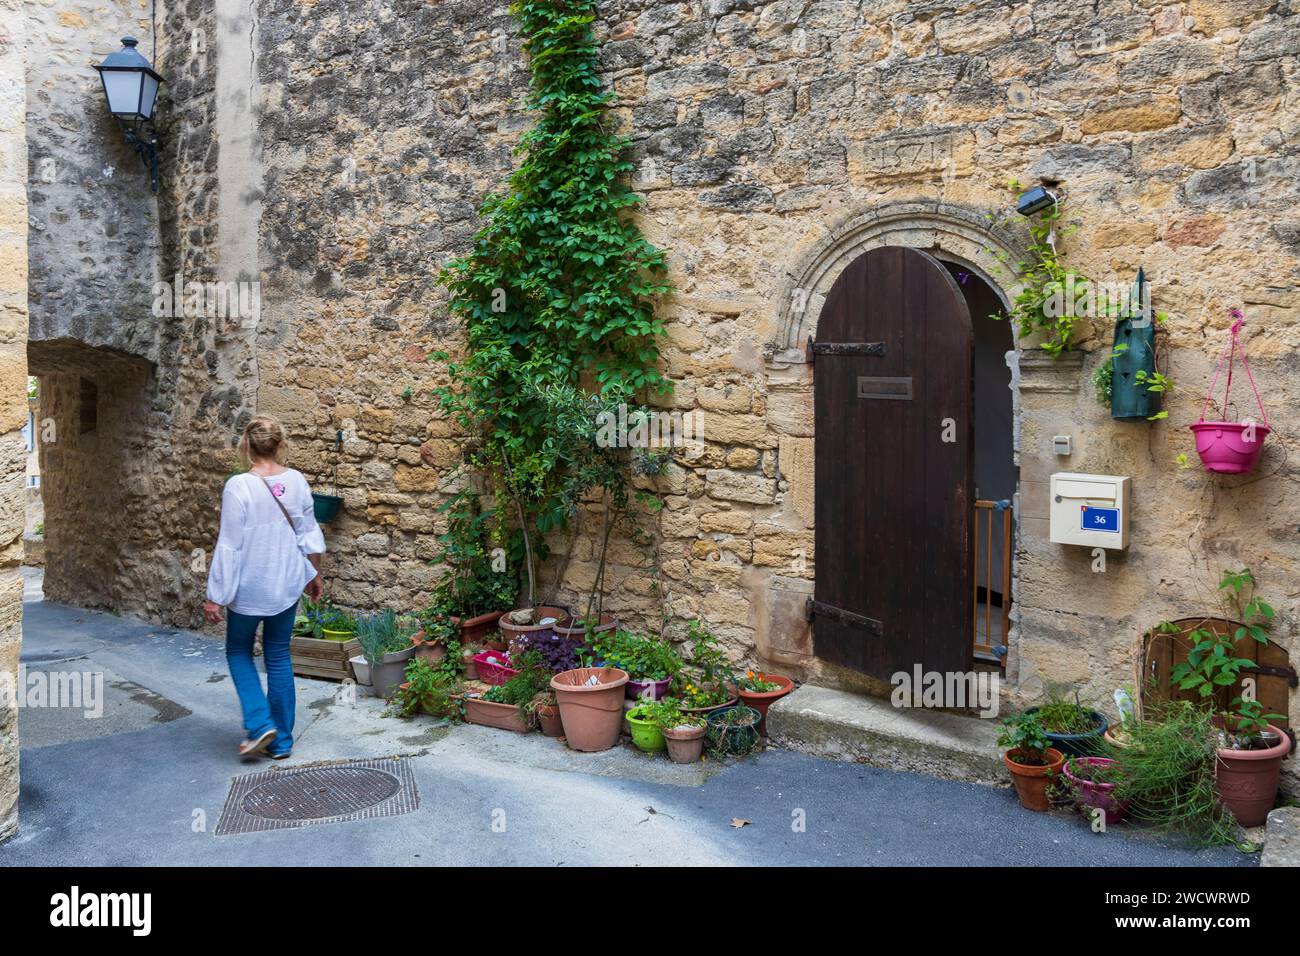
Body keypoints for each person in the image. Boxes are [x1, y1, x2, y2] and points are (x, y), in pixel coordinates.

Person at [204, 416, 325, 759]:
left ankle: (260, 724)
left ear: (246, 445)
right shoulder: (297, 481)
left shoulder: (238, 486)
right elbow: (309, 534)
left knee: (238, 651)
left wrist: (215, 595)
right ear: (280, 444)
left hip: (249, 588)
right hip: (285, 583)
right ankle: (282, 741)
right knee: (277, 654)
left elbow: (229, 545)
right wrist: (313, 575)